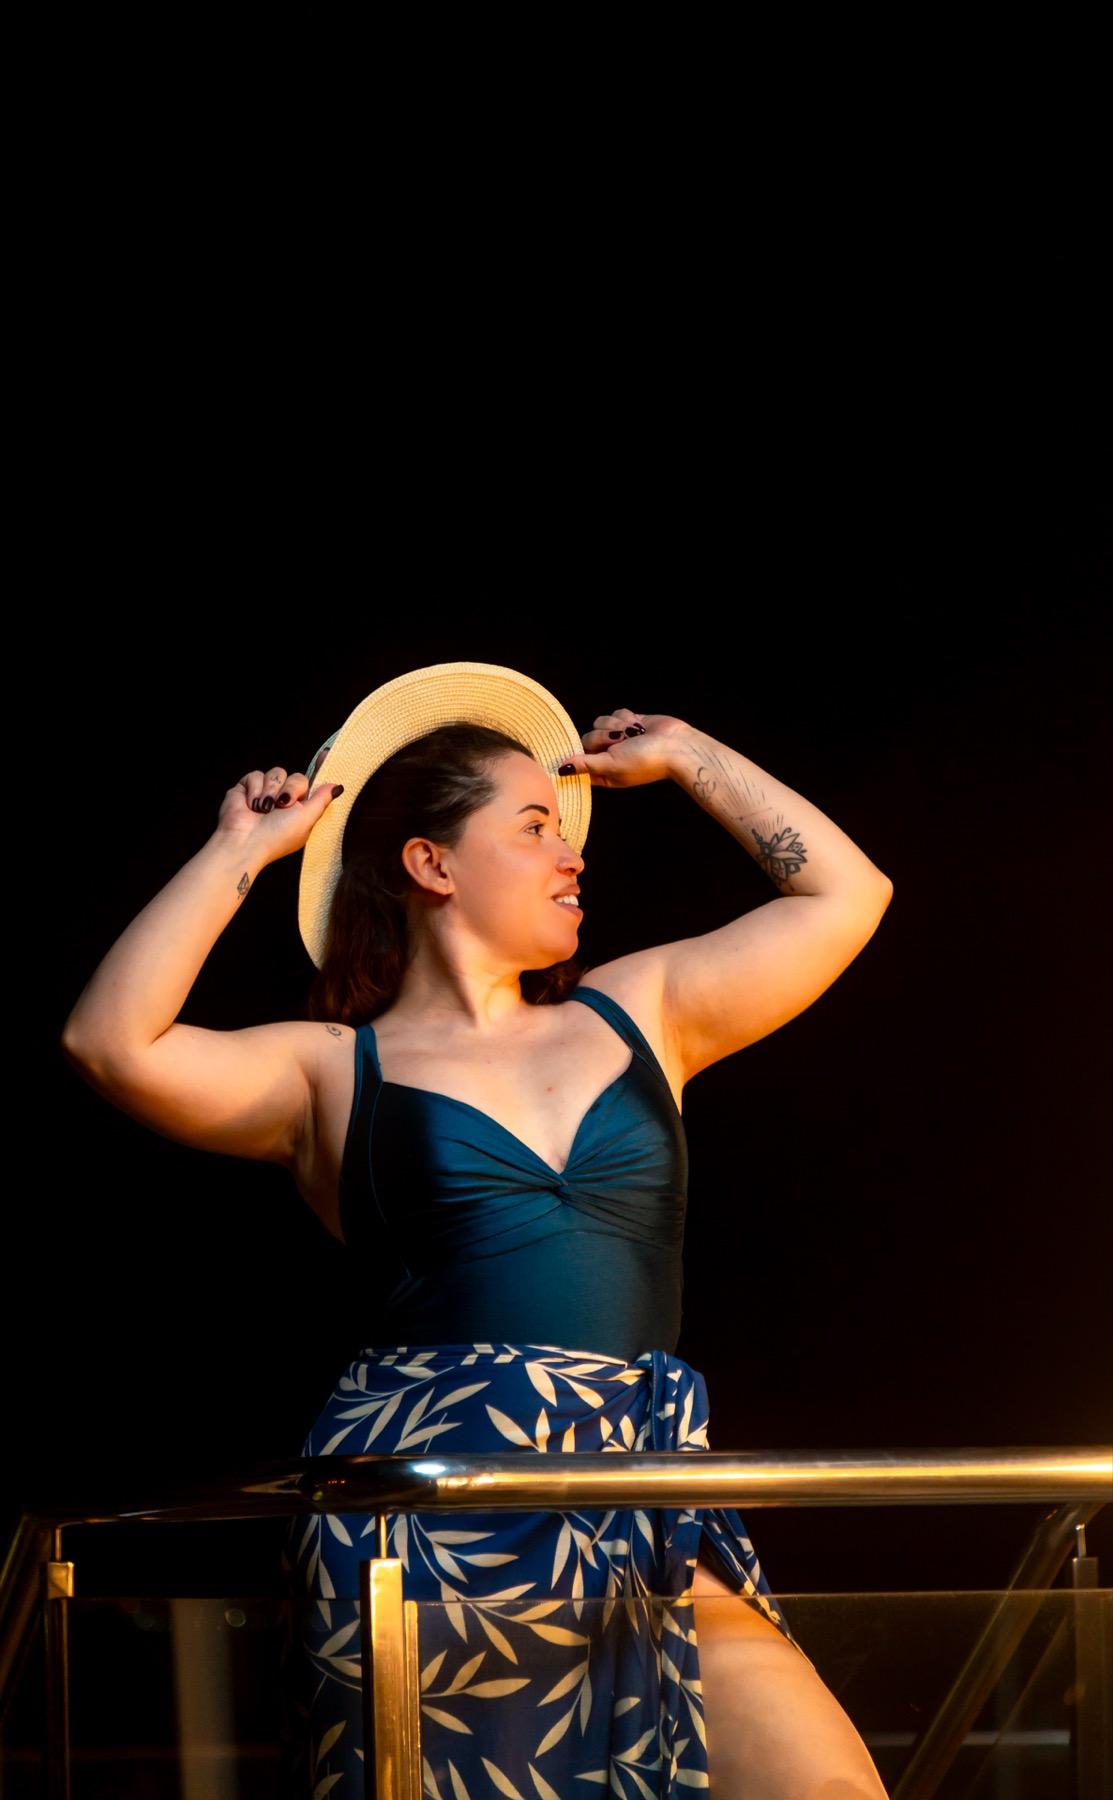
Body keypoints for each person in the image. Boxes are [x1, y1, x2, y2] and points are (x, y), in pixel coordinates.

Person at [63, 661, 893, 1798]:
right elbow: (111, 1043)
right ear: (431, 862)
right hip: (432, 1513)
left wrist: (691, 757)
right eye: (537, 825)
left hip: (636, 1485)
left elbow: (847, 896)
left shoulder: (642, 1008)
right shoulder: (328, 1072)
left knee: (826, 1789)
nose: (574, 855)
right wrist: (238, 854)